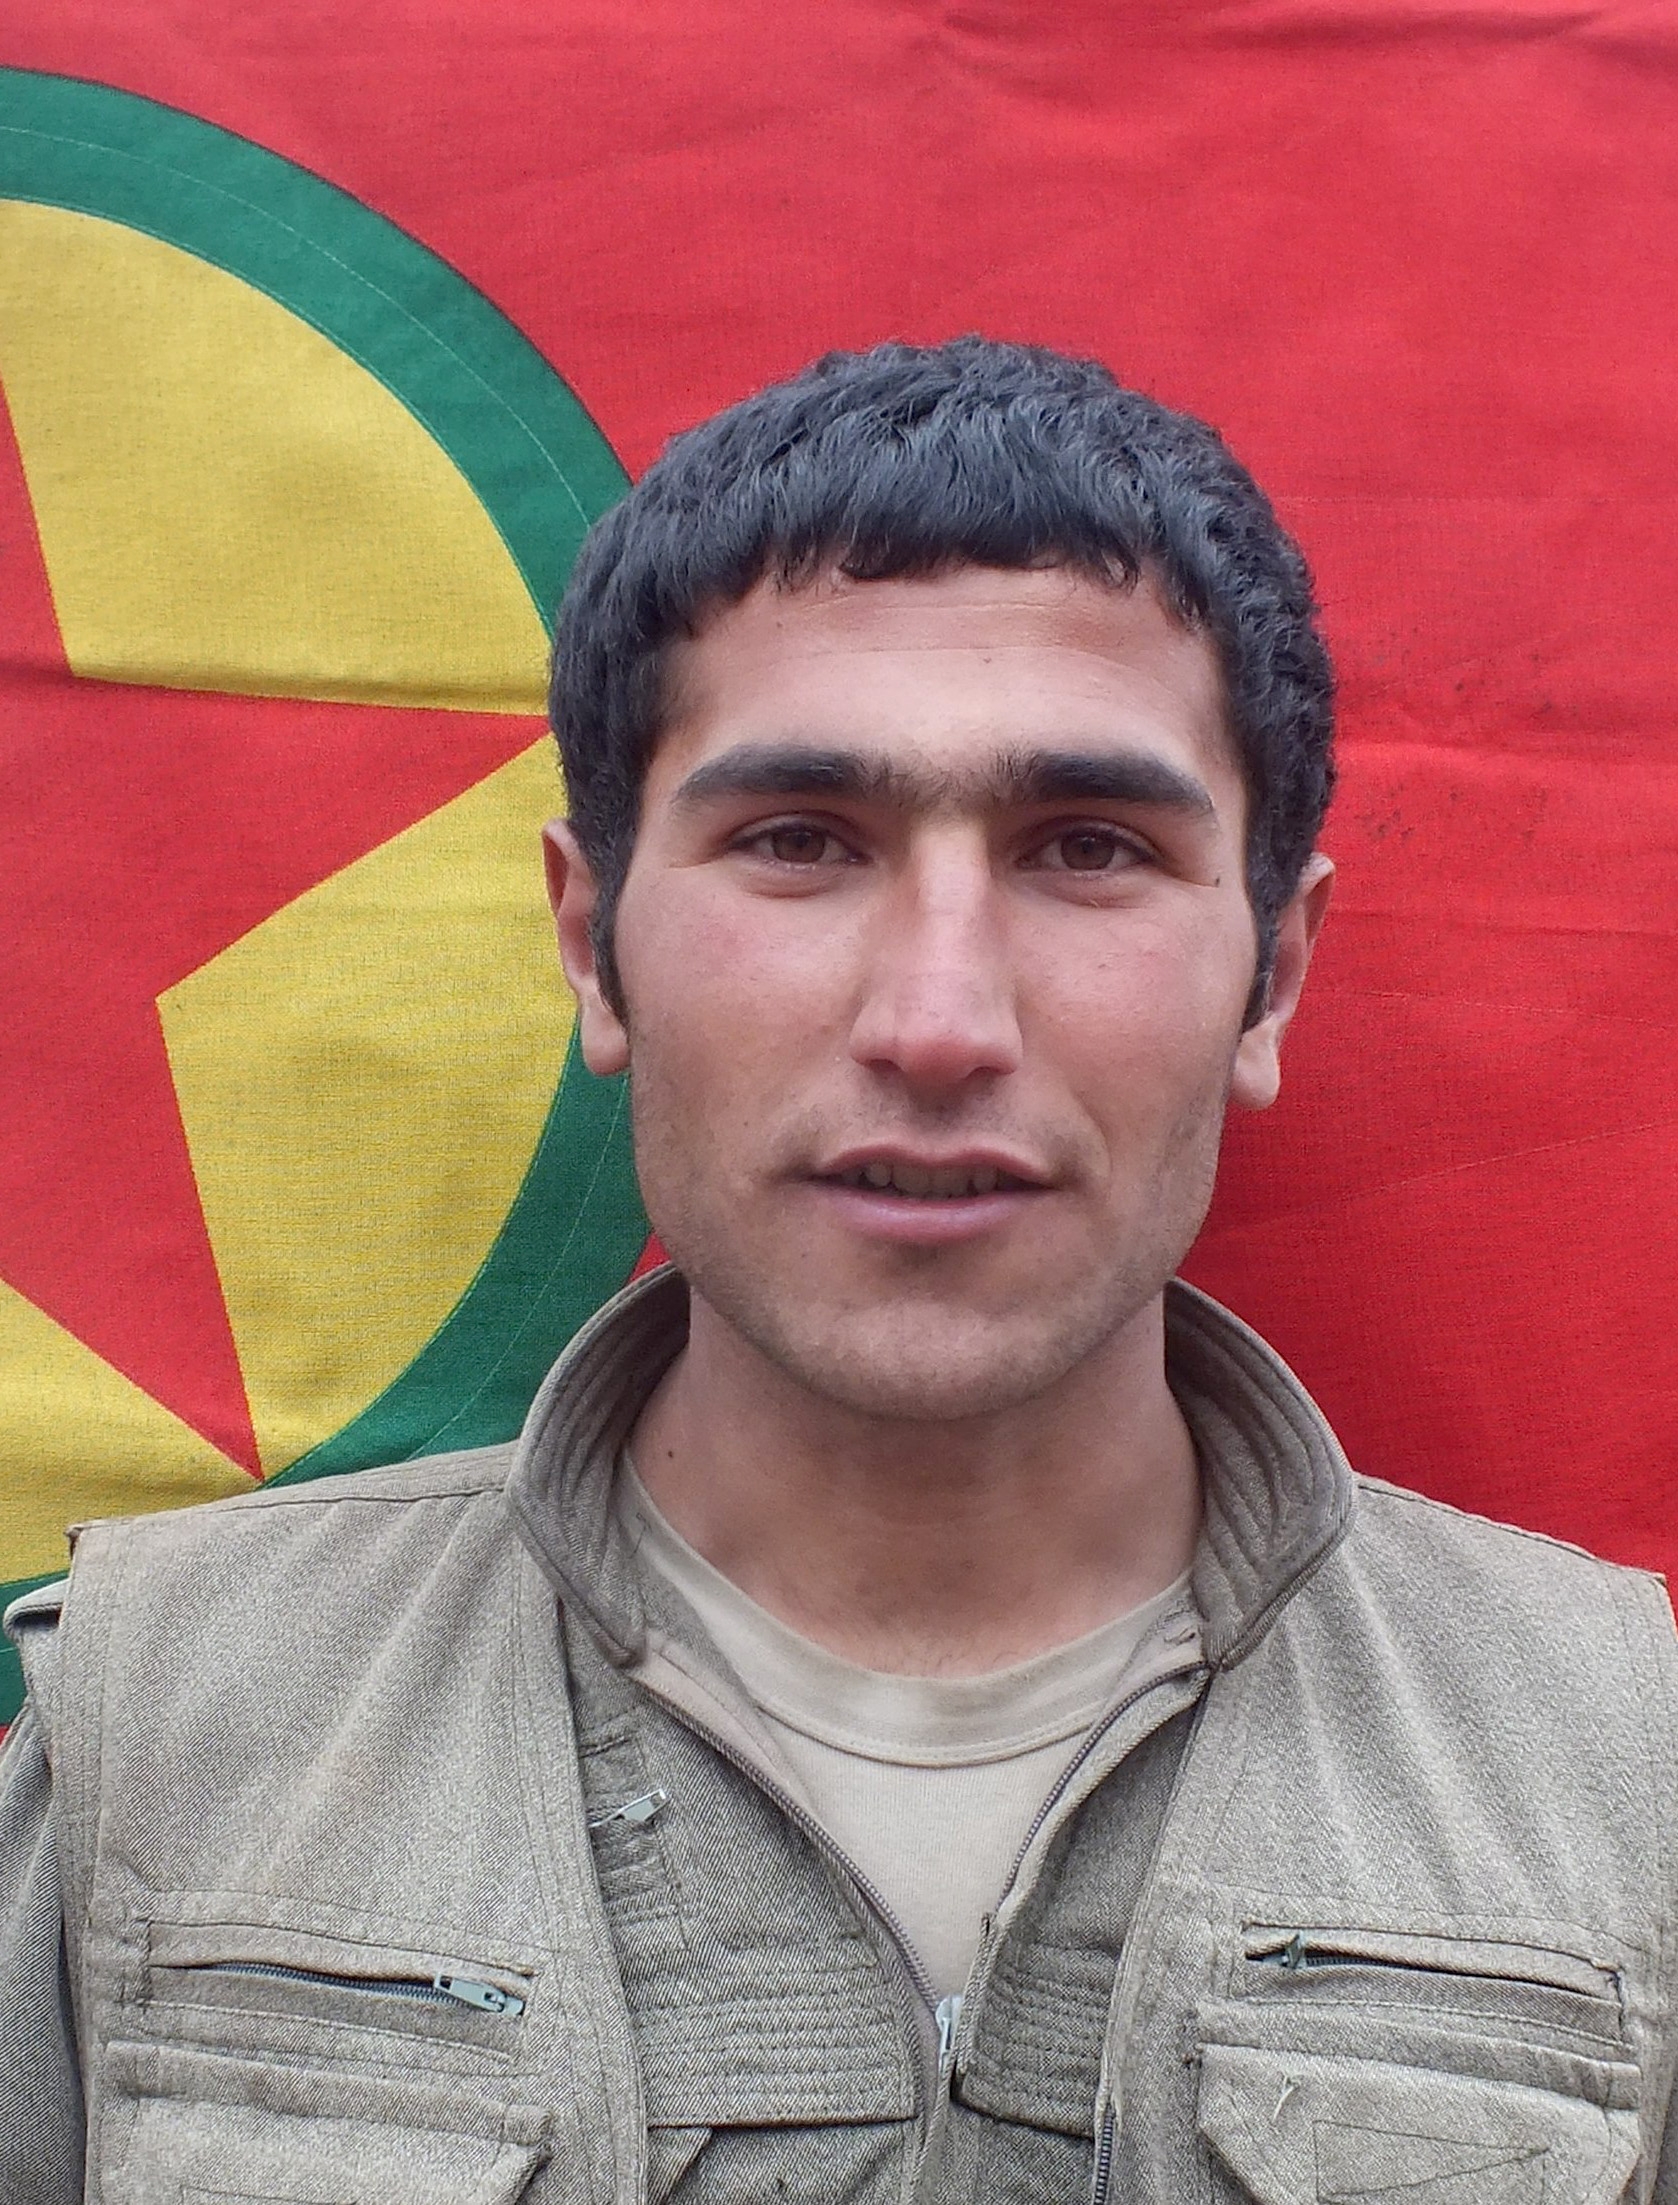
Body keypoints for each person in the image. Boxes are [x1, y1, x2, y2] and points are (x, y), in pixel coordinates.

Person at [3, 337, 1675, 2204]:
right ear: (592, 944)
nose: (939, 1022)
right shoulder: (159, 1726)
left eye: (1087, 848)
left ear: (1270, 974)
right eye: (797, 841)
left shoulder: (1623, 1772)